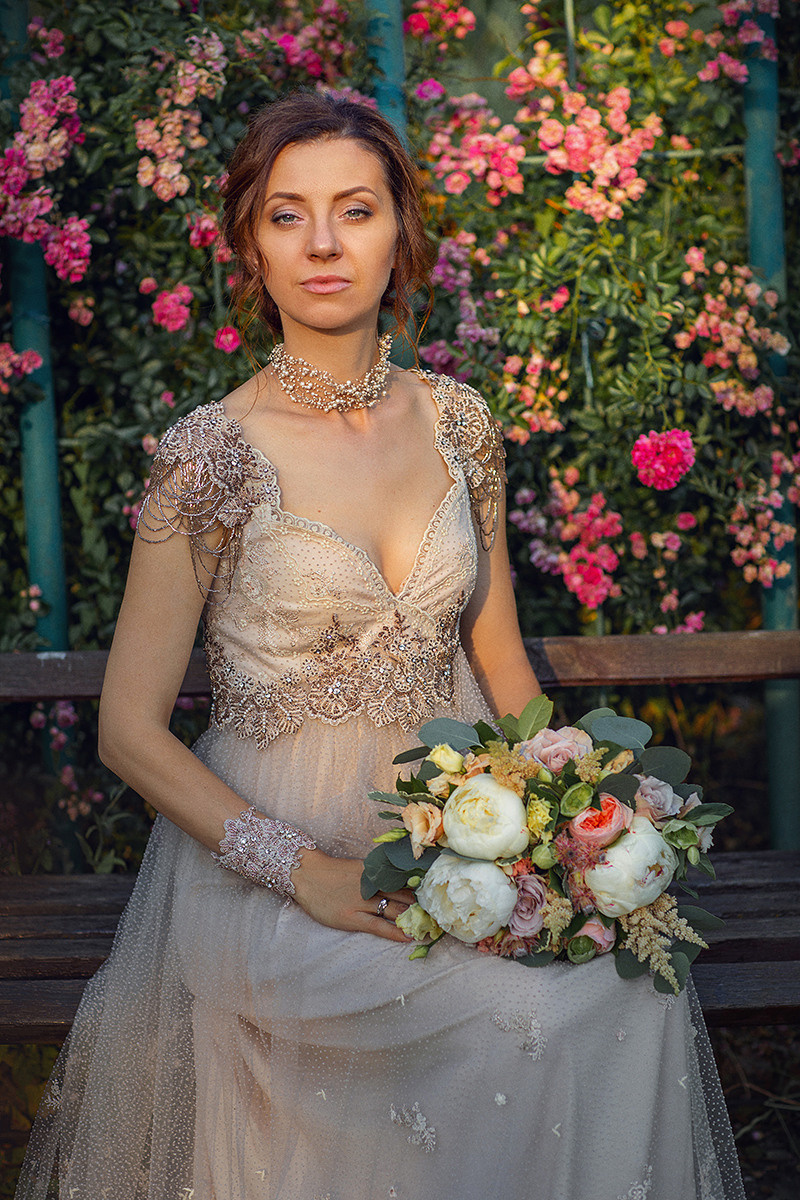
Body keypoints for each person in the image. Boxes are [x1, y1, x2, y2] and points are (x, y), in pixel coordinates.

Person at [16, 92, 745, 1200]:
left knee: (626, 988)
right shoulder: (210, 456)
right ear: (249, 246)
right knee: (516, 1014)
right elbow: (126, 730)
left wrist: (577, 817)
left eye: (353, 210)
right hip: (277, 861)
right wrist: (299, 871)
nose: (322, 244)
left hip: (464, 829)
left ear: (401, 233)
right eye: (286, 215)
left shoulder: (459, 423)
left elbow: (499, 660)